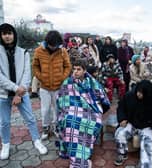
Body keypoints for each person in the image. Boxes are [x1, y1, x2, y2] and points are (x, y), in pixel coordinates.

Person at [0, 23, 48, 160]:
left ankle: (36, 140)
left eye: (9, 33)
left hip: (21, 93)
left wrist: (19, 93)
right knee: (4, 122)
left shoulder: (24, 52)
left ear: (14, 34)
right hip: (3, 94)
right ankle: (6, 144)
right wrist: (16, 90)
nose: (7, 36)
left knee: (30, 118)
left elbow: (27, 74)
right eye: (4, 34)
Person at [56, 59, 110, 167]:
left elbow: (101, 96)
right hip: (71, 110)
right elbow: (61, 99)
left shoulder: (91, 81)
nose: (75, 72)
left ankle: (82, 151)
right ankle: (77, 154)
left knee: (93, 122)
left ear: (84, 70)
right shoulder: (68, 82)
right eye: (74, 69)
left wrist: (96, 106)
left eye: (78, 69)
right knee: (70, 121)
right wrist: (67, 109)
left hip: (90, 110)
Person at [114, 80, 152, 167]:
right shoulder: (130, 95)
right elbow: (121, 107)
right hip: (132, 123)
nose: (138, 94)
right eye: (138, 91)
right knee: (119, 134)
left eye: (141, 93)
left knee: (147, 144)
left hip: (147, 126)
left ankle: (145, 165)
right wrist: (122, 119)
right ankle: (122, 153)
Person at [32, 30, 71, 140]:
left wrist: (62, 78)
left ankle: (56, 127)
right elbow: (35, 66)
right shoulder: (39, 51)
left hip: (58, 86)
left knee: (58, 109)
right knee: (45, 109)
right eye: (52, 45)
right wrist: (40, 77)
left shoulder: (62, 51)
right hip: (44, 87)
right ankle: (45, 128)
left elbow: (68, 66)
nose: (54, 47)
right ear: (47, 42)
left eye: (56, 45)